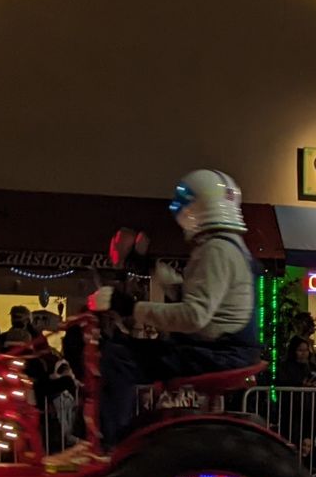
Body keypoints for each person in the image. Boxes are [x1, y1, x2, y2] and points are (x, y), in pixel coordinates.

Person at [89, 169, 259, 447]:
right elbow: (200, 294)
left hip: (218, 354)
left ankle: (110, 446)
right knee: (127, 351)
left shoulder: (215, 249)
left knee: (118, 357)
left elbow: (194, 316)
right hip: (228, 350)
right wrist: (150, 267)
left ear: (192, 210)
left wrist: (132, 308)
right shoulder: (231, 246)